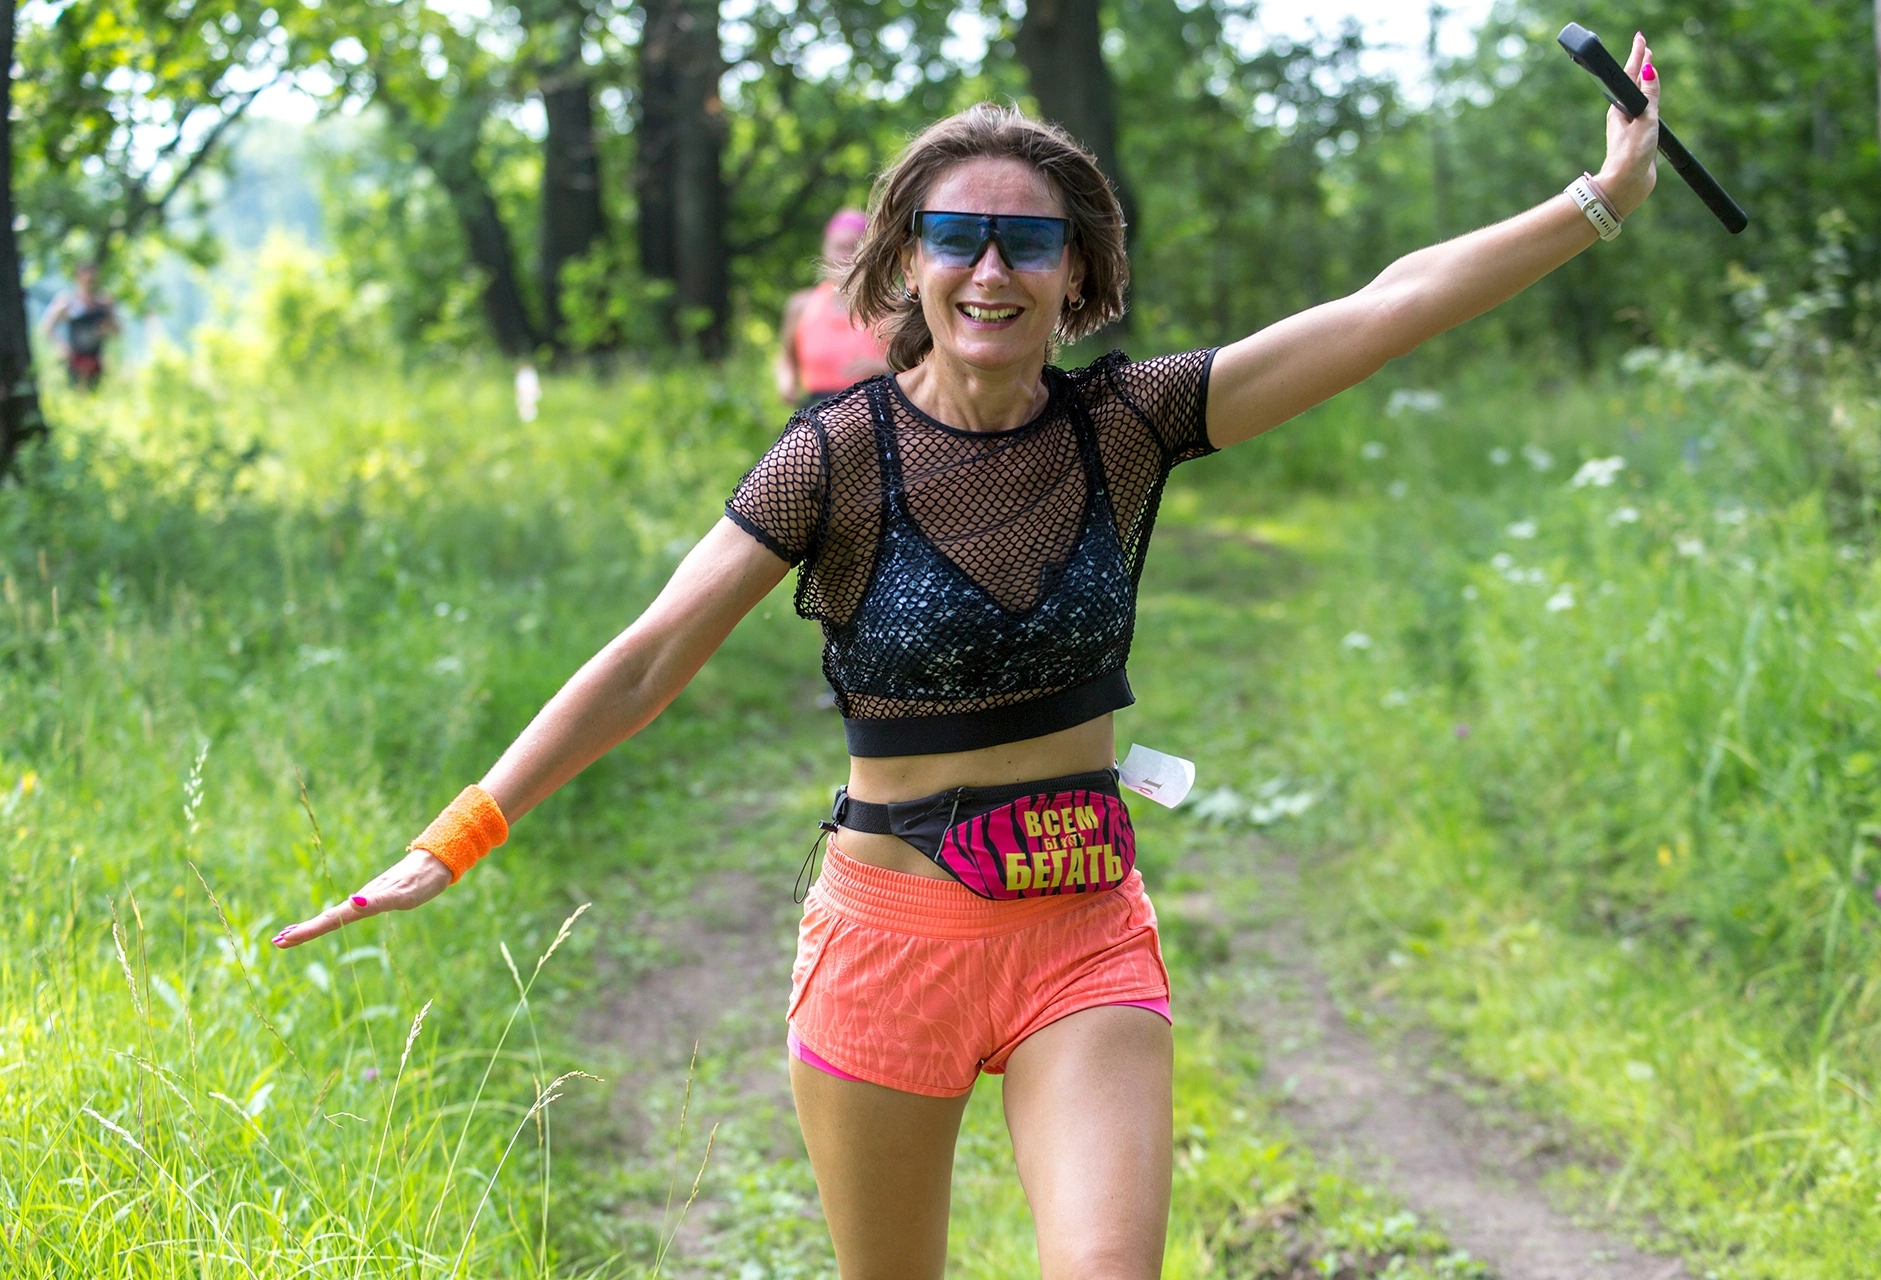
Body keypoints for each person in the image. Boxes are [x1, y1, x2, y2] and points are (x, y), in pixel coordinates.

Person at [275, 38, 1663, 1280]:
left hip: (1082, 928)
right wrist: (458, 837)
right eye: (957, 236)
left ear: (1077, 275)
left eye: (1028, 242)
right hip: (891, 943)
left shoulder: (1128, 425)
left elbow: (1386, 305)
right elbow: (647, 660)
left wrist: (1597, 201)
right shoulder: (834, 458)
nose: (991, 270)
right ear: (907, 263)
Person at [776, 209, 891, 406]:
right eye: (838, 247)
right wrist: (787, 382)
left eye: (852, 247)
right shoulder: (802, 305)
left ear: (869, 252)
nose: (845, 255)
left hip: (873, 407)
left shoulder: (889, 305)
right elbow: (786, 357)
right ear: (825, 249)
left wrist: (882, 367)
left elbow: (916, 365)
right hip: (817, 408)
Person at [39, 263, 119, 389]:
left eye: (92, 278)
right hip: (74, 360)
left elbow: (117, 330)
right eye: (87, 278)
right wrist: (61, 347)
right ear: (78, 277)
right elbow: (47, 326)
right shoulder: (67, 301)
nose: (90, 281)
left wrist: (105, 329)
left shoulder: (103, 303)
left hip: (97, 360)